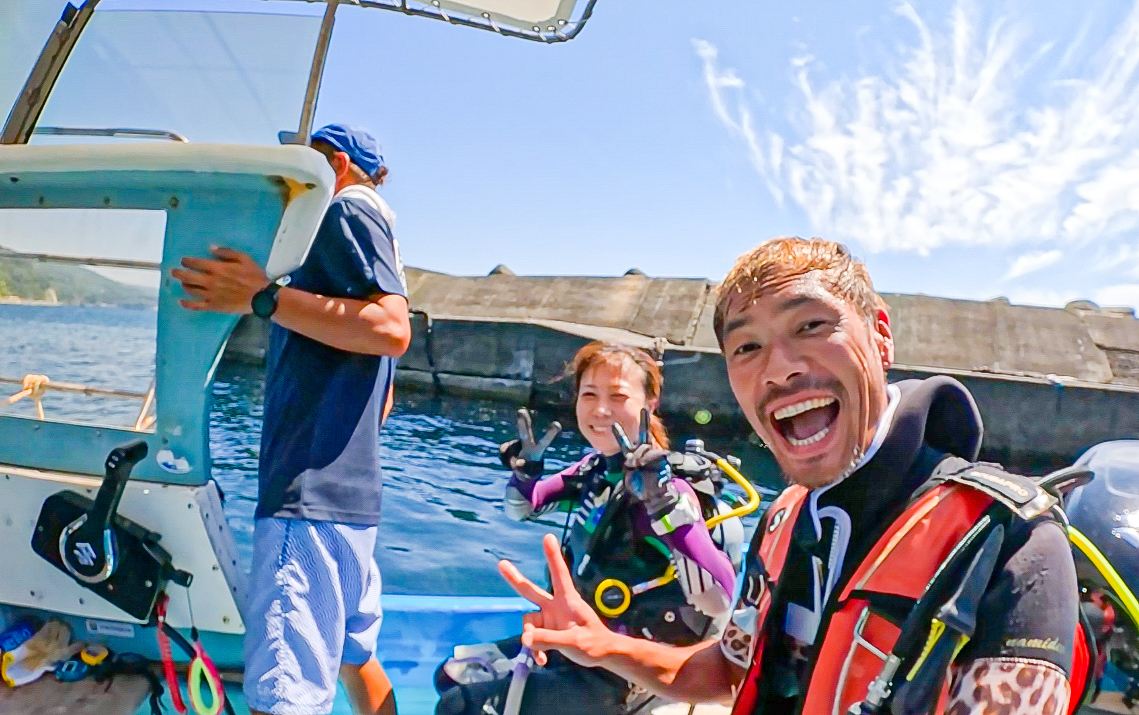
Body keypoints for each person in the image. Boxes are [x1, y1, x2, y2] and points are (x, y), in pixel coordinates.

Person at [498, 238, 1084, 715]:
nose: (779, 368)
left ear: (880, 336)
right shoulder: (782, 520)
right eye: (747, 346)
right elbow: (730, 669)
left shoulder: (1012, 542)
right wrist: (603, 646)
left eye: (809, 326)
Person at [172, 124, 409, 715]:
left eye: (297, 166)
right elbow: (382, 393)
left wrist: (262, 298)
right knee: (355, 657)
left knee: (284, 698)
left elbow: (389, 330)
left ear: (333, 164)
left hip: (307, 505)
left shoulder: (344, 211)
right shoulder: (372, 241)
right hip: (351, 505)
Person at [435, 342, 745, 715]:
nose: (600, 410)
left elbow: (718, 599)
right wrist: (525, 473)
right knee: (450, 676)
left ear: (650, 403)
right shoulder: (594, 471)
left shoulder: (670, 489)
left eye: (618, 396)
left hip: (624, 672)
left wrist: (662, 504)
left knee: (458, 707)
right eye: (589, 395)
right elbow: (522, 509)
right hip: (574, 643)